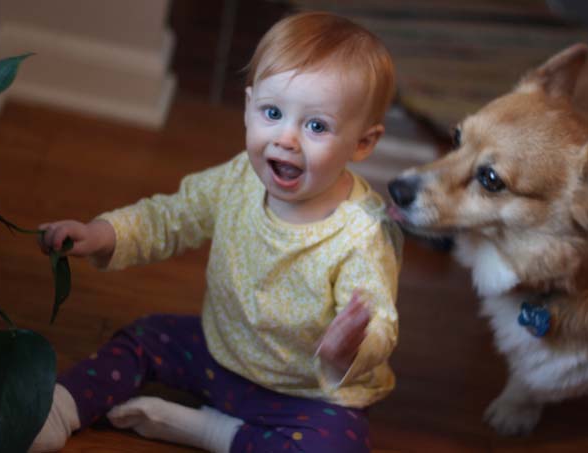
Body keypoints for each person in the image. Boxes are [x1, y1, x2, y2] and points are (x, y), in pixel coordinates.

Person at [31, 10, 402, 453]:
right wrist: (103, 232)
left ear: (363, 142)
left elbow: (380, 321)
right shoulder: (238, 179)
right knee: (144, 338)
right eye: (272, 112)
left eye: (316, 125)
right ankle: (59, 406)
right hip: (218, 350)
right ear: (248, 107)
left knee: (338, 446)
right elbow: (172, 216)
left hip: (304, 394)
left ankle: (215, 432)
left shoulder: (361, 233)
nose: (286, 139)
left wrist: (349, 348)